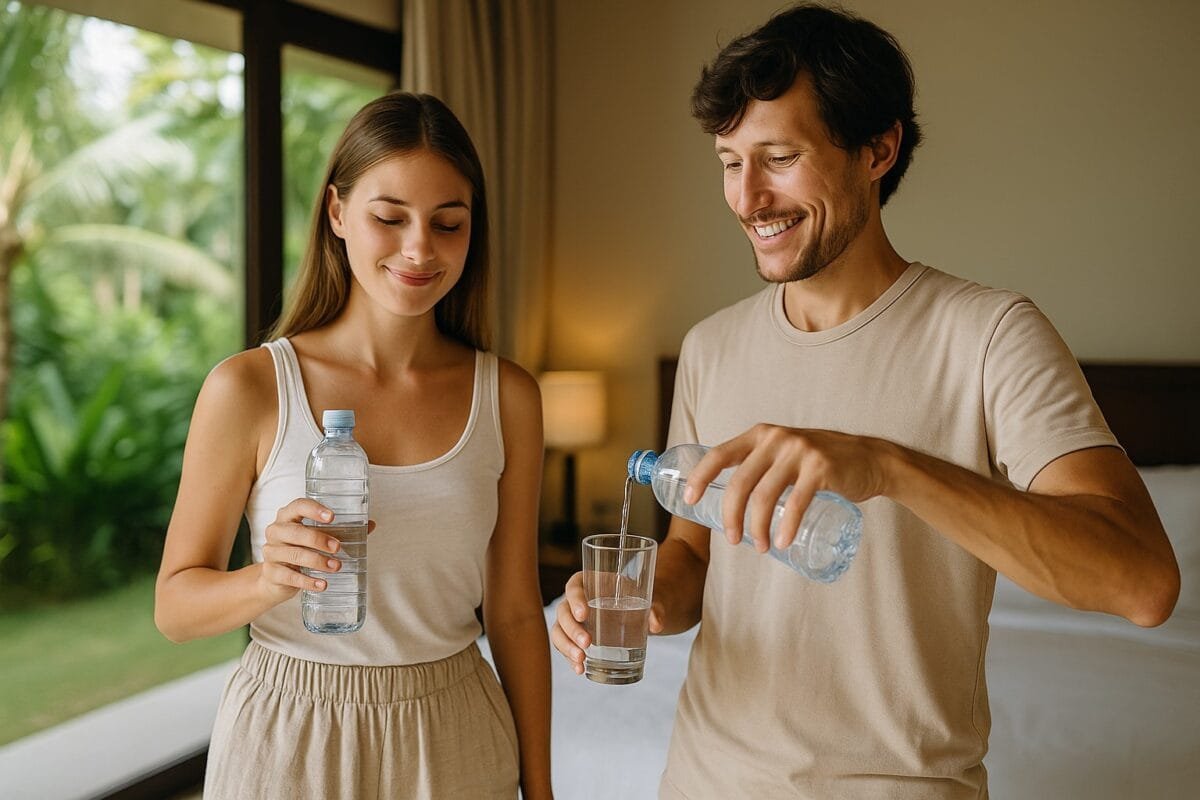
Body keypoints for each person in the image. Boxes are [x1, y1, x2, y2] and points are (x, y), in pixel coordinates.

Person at [551, 4, 1180, 798]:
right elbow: (696, 557)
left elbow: (1143, 584)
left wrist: (889, 465)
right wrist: (637, 600)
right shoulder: (711, 348)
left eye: (779, 157)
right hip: (703, 780)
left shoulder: (989, 336)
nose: (748, 198)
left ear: (878, 149)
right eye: (729, 161)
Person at [155, 92, 552, 800]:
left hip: (454, 730)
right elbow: (175, 607)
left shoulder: (509, 399)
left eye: (448, 223)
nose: (419, 249)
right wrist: (268, 579)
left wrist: (542, 786)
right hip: (288, 732)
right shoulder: (250, 388)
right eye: (389, 217)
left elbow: (517, 611)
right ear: (337, 213)